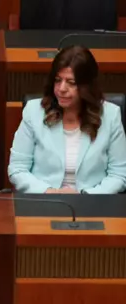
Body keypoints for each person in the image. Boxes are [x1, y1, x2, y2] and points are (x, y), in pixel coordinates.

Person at [8, 46, 126, 194]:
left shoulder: (110, 115)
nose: (62, 88)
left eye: (71, 82)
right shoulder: (34, 112)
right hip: (43, 199)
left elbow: (119, 175)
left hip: (93, 201)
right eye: (58, 80)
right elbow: (17, 169)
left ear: (87, 86)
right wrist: (51, 192)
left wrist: (85, 196)